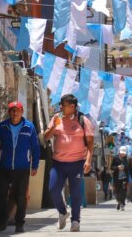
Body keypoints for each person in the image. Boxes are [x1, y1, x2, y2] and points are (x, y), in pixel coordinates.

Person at [0, 101, 40, 233]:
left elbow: (35, 147)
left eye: (18, 110)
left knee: (20, 197)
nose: (15, 113)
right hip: (4, 167)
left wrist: (35, 165)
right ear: (9, 112)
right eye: (12, 110)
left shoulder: (29, 127)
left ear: (22, 112)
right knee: (1, 194)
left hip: (22, 168)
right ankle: (3, 220)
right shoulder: (2, 127)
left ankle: (19, 223)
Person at [44, 94, 94, 232]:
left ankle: (75, 221)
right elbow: (46, 137)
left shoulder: (83, 120)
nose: (60, 107)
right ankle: (62, 211)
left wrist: (88, 160)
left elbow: (90, 144)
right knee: (53, 189)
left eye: (63, 105)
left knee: (75, 192)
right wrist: (54, 126)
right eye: (60, 104)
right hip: (58, 162)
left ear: (72, 107)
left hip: (77, 162)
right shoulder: (56, 117)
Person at [111, 146, 132, 211]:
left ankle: (122, 204)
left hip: (124, 178)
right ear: (119, 152)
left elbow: (130, 170)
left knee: (123, 191)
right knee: (117, 191)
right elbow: (112, 167)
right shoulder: (115, 158)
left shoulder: (128, 159)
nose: (122, 154)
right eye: (121, 153)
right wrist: (117, 167)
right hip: (116, 178)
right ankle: (119, 201)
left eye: (124, 153)